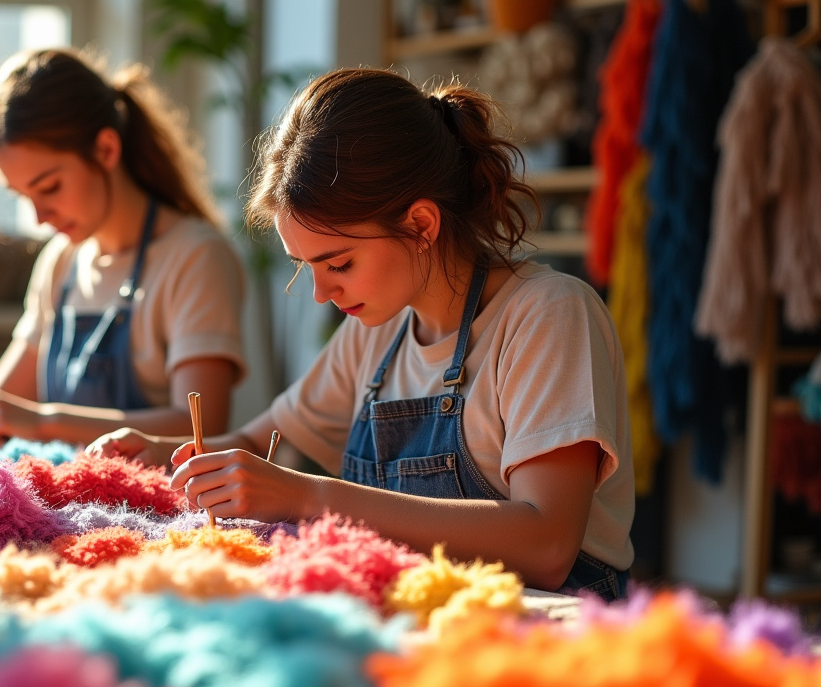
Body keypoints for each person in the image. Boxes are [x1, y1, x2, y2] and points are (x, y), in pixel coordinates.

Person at [89, 68, 635, 600]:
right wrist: (164, 453)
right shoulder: (378, 331)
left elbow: (546, 545)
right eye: (307, 268)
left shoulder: (546, 315)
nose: (322, 294)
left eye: (340, 264)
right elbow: (261, 443)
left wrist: (308, 495)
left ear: (421, 225)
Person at [0, 48, 246, 445]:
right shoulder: (61, 261)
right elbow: (2, 402)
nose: (39, 217)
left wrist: (46, 423)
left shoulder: (196, 258)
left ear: (107, 150)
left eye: (49, 188)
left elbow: (203, 428)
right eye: (22, 196)